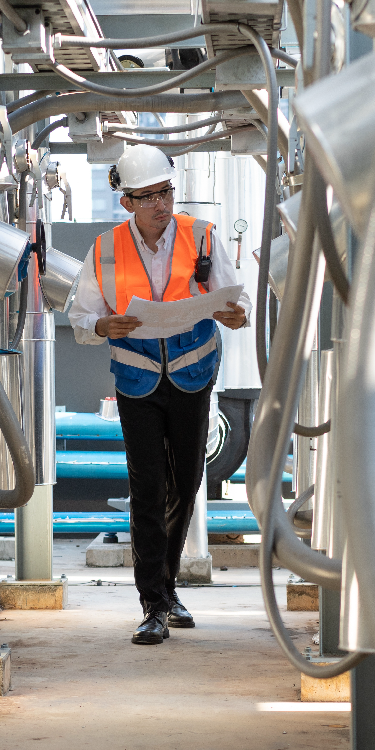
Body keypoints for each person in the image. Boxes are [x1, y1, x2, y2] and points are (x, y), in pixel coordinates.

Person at [67, 143, 249, 645]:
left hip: (193, 375)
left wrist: (235, 314)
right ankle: (153, 602)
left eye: (165, 192)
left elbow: (237, 301)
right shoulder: (104, 249)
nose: (161, 205)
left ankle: (166, 591)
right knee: (147, 488)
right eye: (148, 197)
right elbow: (80, 316)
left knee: (186, 483)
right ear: (127, 202)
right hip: (136, 378)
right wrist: (103, 324)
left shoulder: (203, 236)